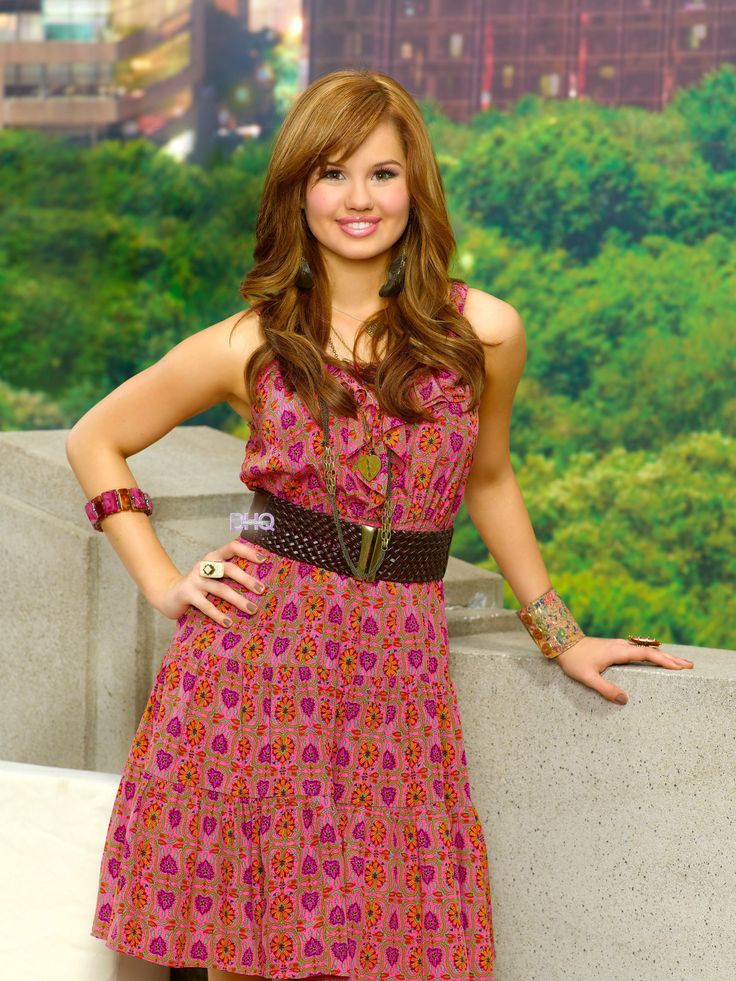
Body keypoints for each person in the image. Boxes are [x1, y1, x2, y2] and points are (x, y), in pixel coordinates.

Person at [67, 68, 694, 981]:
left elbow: (488, 478)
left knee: (398, 941)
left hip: (395, 672)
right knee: (249, 952)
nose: (358, 199)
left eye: (382, 173)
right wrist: (164, 581)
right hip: (254, 670)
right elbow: (95, 439)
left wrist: (560, 634)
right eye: (331, 173)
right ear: (297, 190)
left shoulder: (484, 331)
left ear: (416, 186)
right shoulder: (249, 341)